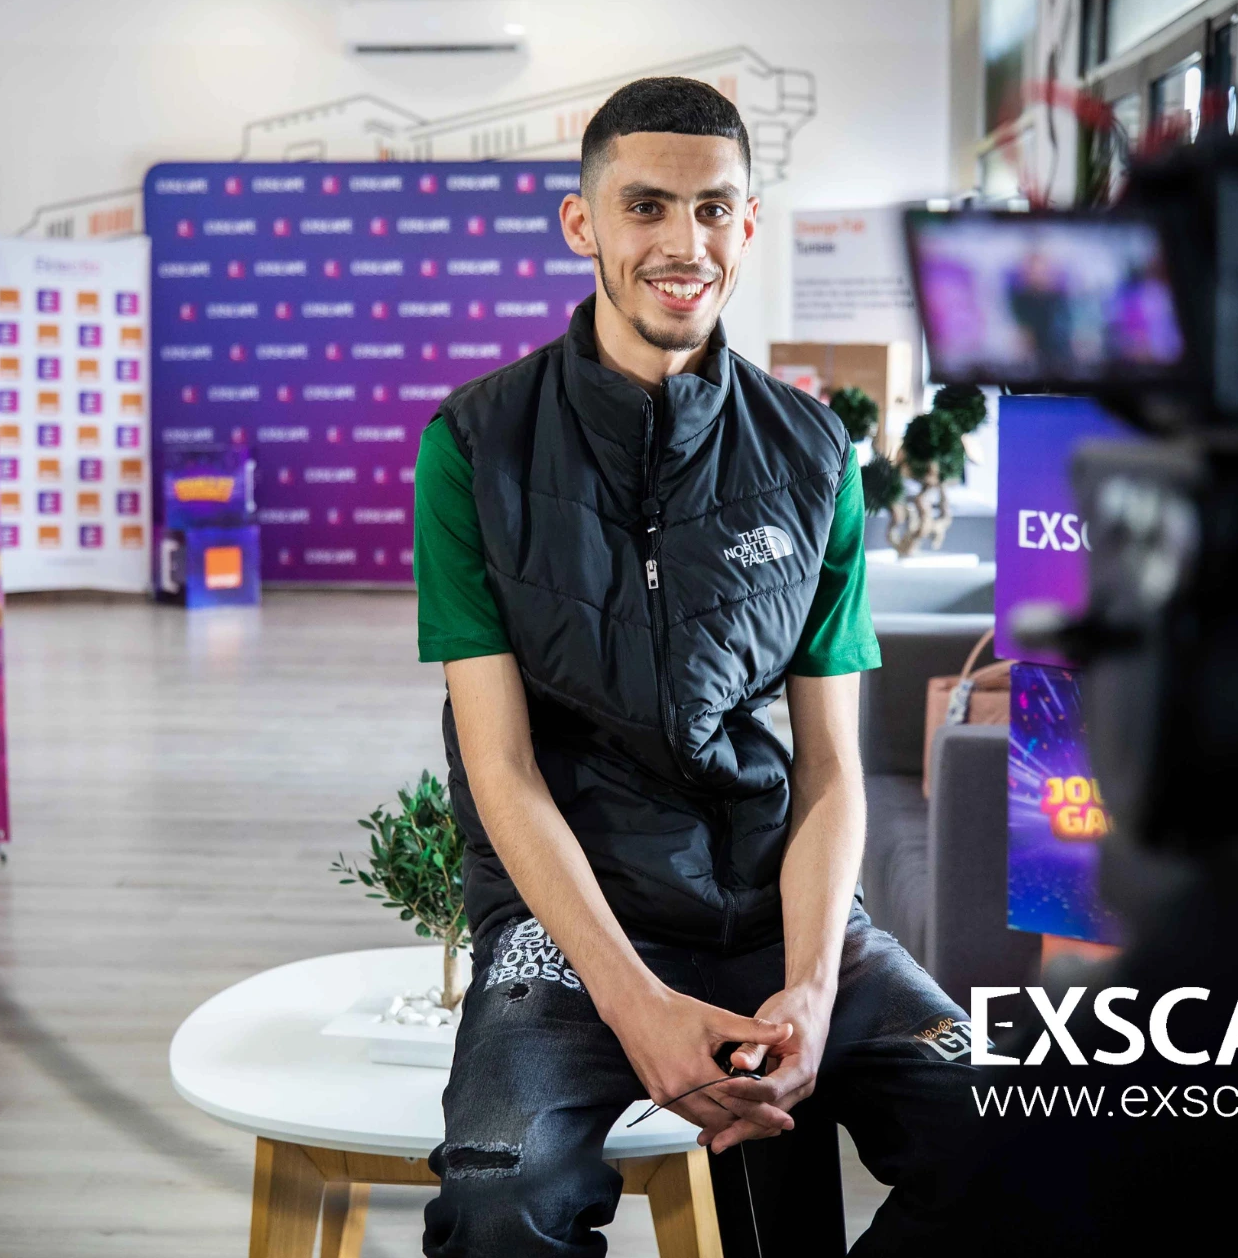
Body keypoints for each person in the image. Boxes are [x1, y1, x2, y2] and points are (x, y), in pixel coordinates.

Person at [413, 77, 976, 1257]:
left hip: (771, 897)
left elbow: (831, 771)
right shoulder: (473, 444)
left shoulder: (814, 451)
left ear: (749, 224)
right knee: (496, 1200)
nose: (683, 244)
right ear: (583, 225)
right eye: (646, 208)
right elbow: (500, 770)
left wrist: (815, 989)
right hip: (566, 925)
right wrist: (638, 1008)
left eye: (713, 210)